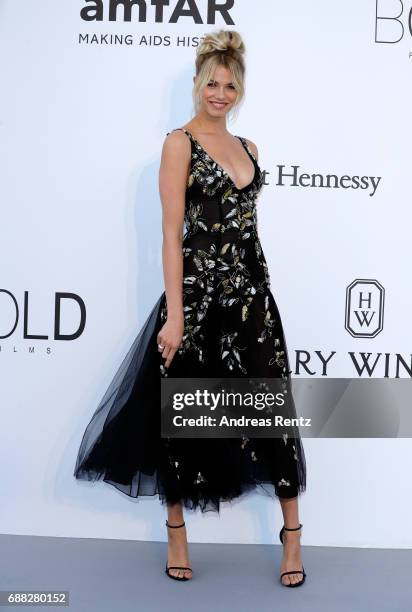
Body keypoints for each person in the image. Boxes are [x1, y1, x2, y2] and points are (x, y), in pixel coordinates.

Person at [74, 28, 307, 587]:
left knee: (270, 416)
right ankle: (177, 532)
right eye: (212, 83)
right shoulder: (178, 143)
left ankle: (293, 538)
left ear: (239, 89)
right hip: (197, 305)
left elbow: (246, 231)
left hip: (251, 301)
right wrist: (175, 315)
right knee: (181, 418)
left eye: (230, 85)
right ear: (199, 85)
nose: (220, 94)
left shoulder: (251, 149)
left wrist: (255, 292)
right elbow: (171, 234)